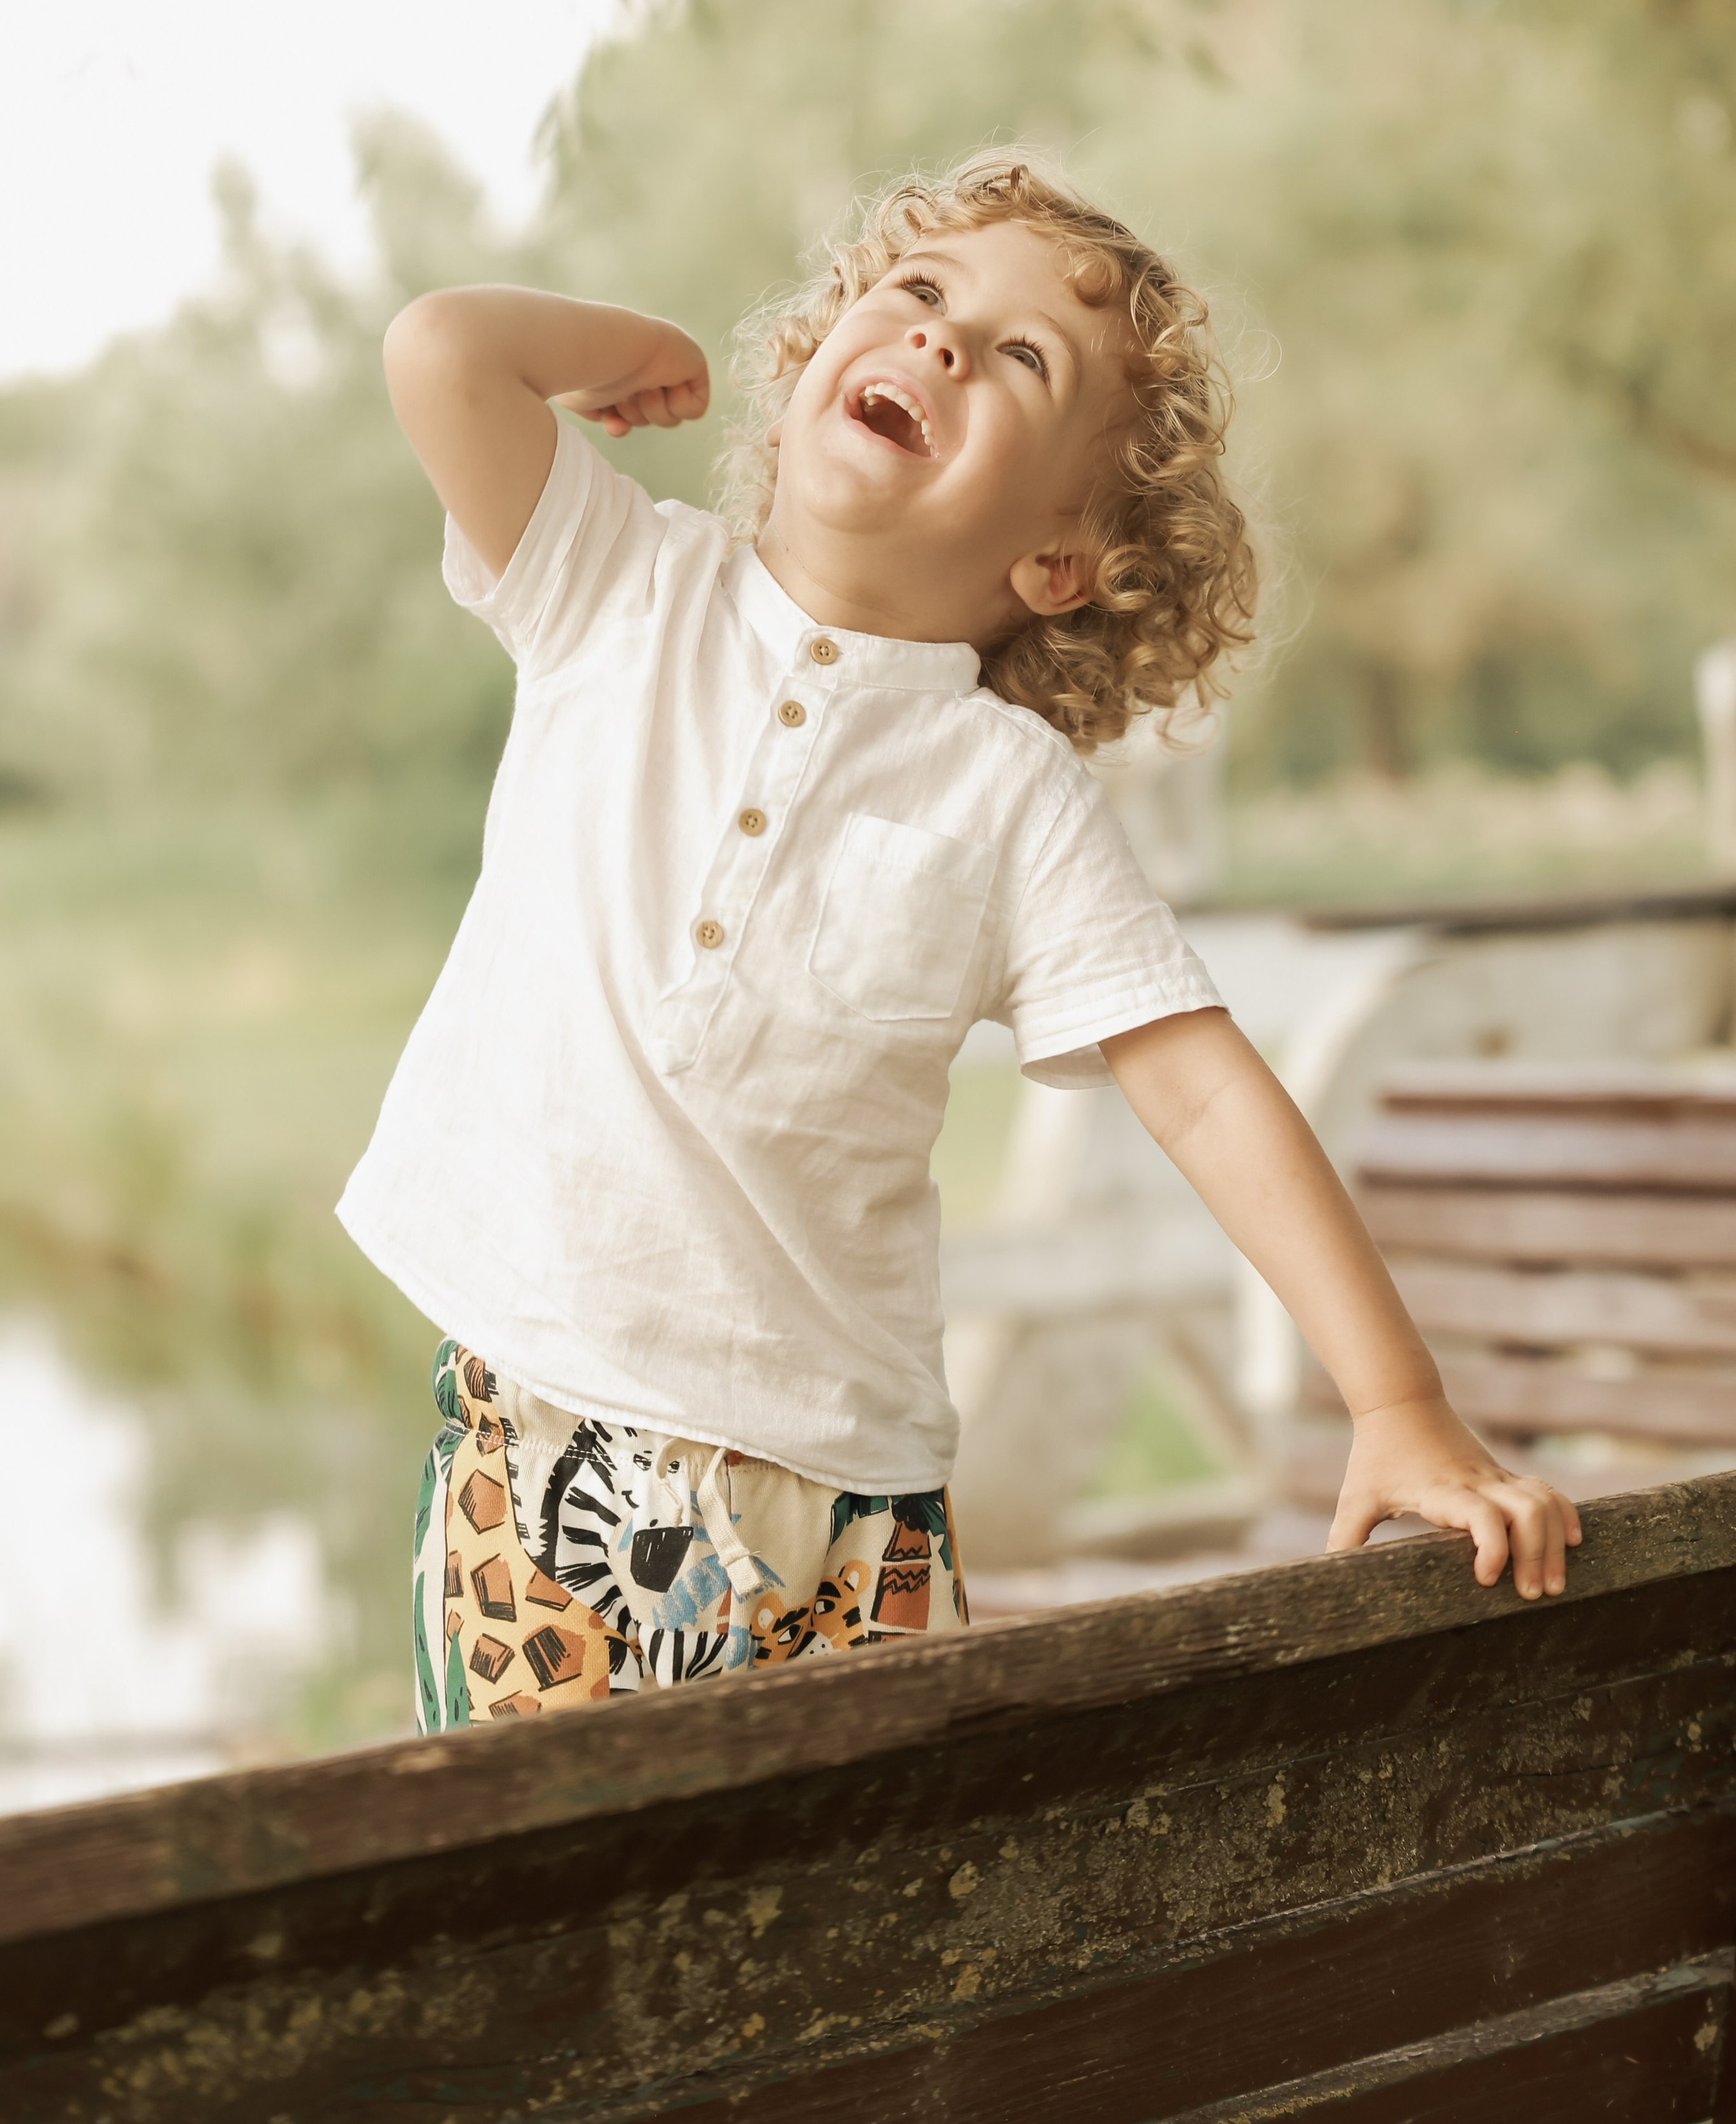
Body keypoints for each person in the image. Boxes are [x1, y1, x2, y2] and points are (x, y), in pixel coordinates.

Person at [337, 154, 1580, 1731]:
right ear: (804, 376)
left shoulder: (1007, 797)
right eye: (917, 298)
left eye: (1018, 360)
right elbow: (441, 352)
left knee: (875, 1933)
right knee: (541, 1923)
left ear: (1059, 560)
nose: (938, 343)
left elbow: (1198, 1089)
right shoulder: (615, 588)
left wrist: (1396, 1405)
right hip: (544, 1445)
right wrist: (628, 345)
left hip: (851, 1505)